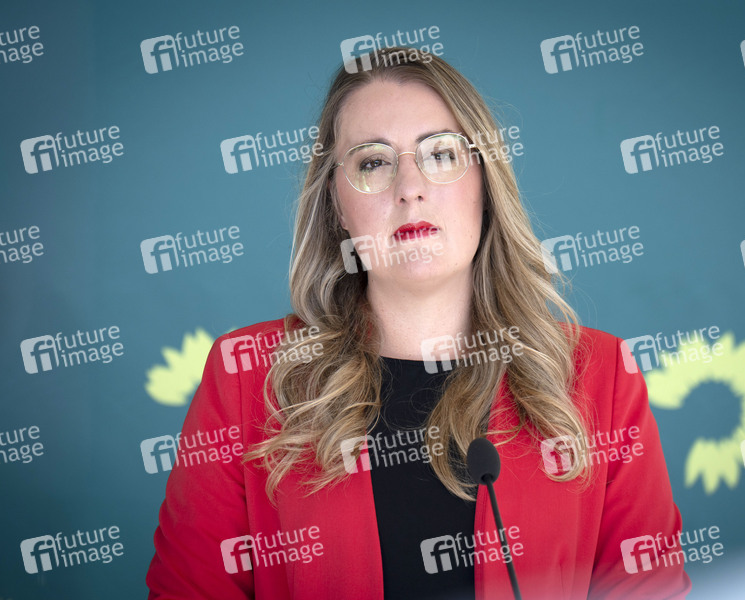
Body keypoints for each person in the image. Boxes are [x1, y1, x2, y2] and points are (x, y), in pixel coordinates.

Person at [146, 46, 691, 599]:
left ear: (485, 185)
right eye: (373, 162)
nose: (409, 186)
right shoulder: (247, 377)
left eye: (440, 154)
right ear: (336, 204)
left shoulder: (601, 377)